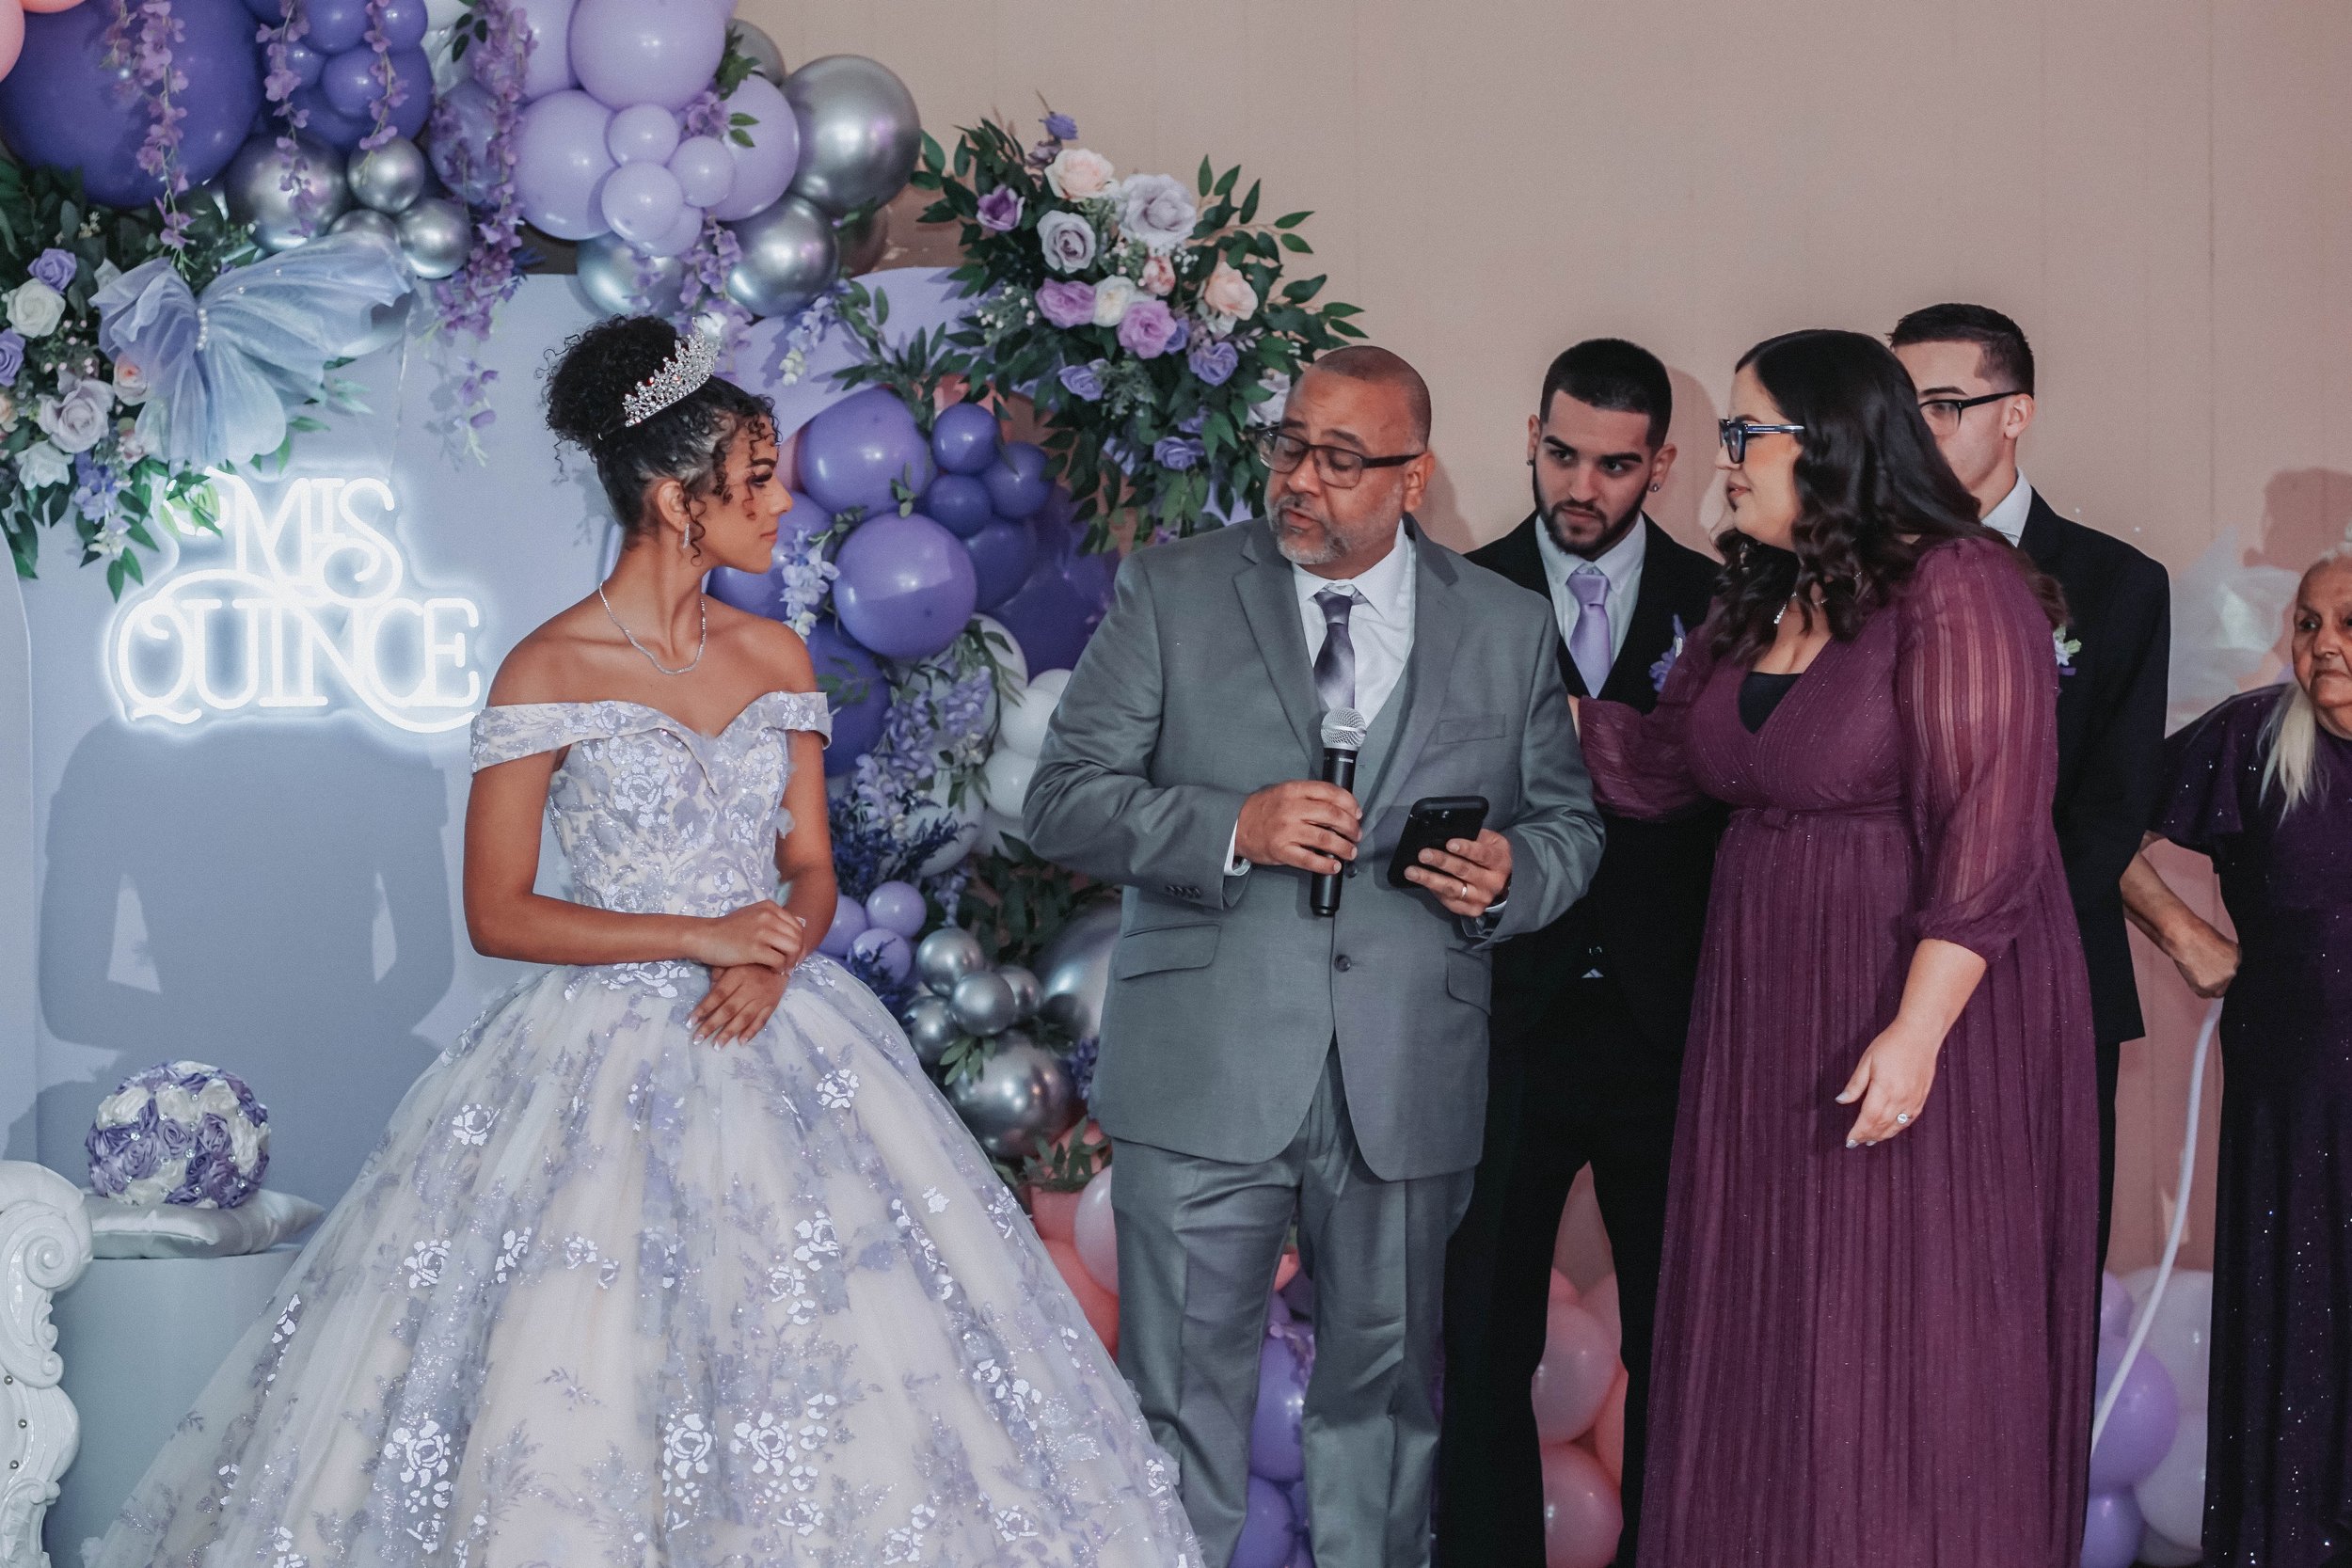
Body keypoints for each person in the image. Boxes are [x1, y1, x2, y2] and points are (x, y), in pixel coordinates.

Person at [89, 317, 1200, 1568]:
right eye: (759, 474)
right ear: (680, 498)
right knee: (588, 1363)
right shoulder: (546, 666)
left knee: (827, 1359)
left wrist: (773, 951)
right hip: (597, 1050)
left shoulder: (775, 653)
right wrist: (701, 933)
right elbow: (498, 909)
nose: (783, 501)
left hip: (781, 1028)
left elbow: (813, 866)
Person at [1024, 345, 1605, 1568]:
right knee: (1178, 1409)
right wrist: (1229, 825)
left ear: (1414, 475)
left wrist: (1513, 873)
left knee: (1384, 1414)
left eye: (1342, 459)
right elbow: (1063, 799)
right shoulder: (1173, 591)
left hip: (1408, 1075)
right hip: (1205, 1068)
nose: (1301, 477)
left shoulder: (1503, 626)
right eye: (1290, 444)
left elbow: (1567, 826)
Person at [1575, 329, 2099, 1568]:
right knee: (1773, 1323)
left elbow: (1994, 824)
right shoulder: (1757, 588)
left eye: (1747, 432)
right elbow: (1652, 767)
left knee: (1900, 1331)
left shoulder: (1965, 583)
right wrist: (1483, 688)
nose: (1728, 460)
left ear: (1834, 443)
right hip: (1763, 1000)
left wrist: (1915, 1035)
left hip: (1916, 1004)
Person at [1438, 339, 1722, 1568]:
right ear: (1532, 436)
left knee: (1685, 1340)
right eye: (1563, 452)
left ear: (1660, 463)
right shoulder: (1451, 591)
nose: (1582, 484)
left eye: (1614, 463)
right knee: (1484, 1331)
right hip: (1499, 1019)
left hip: (1673, 1028)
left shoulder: (1730, 601)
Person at [1891, 304, 2170, 1263]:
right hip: (1888, 962)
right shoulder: (1864, 571)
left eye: (1940, 405)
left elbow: (2111, 804)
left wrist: (1992, 934)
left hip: (2049, 968)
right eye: (1898, 406)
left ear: (2016, 413)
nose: (1913, 433)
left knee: (2038, 1260)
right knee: (1900, 1266)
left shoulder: (2118, 581)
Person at [2120, 548, 2352, 1567]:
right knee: (2298, 1334)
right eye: (2306, 622)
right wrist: (2181, 931)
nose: (2322, 645)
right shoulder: (2255, 737)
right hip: (2291, 1108)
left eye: (2346, 622)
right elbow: (2095, 819)